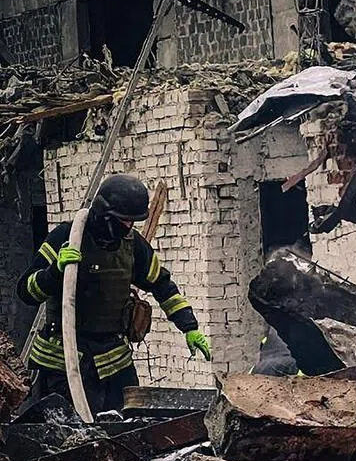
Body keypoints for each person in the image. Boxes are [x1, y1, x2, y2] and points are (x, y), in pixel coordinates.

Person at [16, 174, 211, 415]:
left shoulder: (133, 246)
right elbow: (26, 291)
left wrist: (189, 326)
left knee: (127, 428)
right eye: (124, 220)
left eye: (133, 221)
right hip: (61, 363)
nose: (129, 226)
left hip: (113, 361)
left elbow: (163, 286)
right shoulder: (65, 237)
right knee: (66, 435)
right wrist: (54, 272)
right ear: (104, 213)